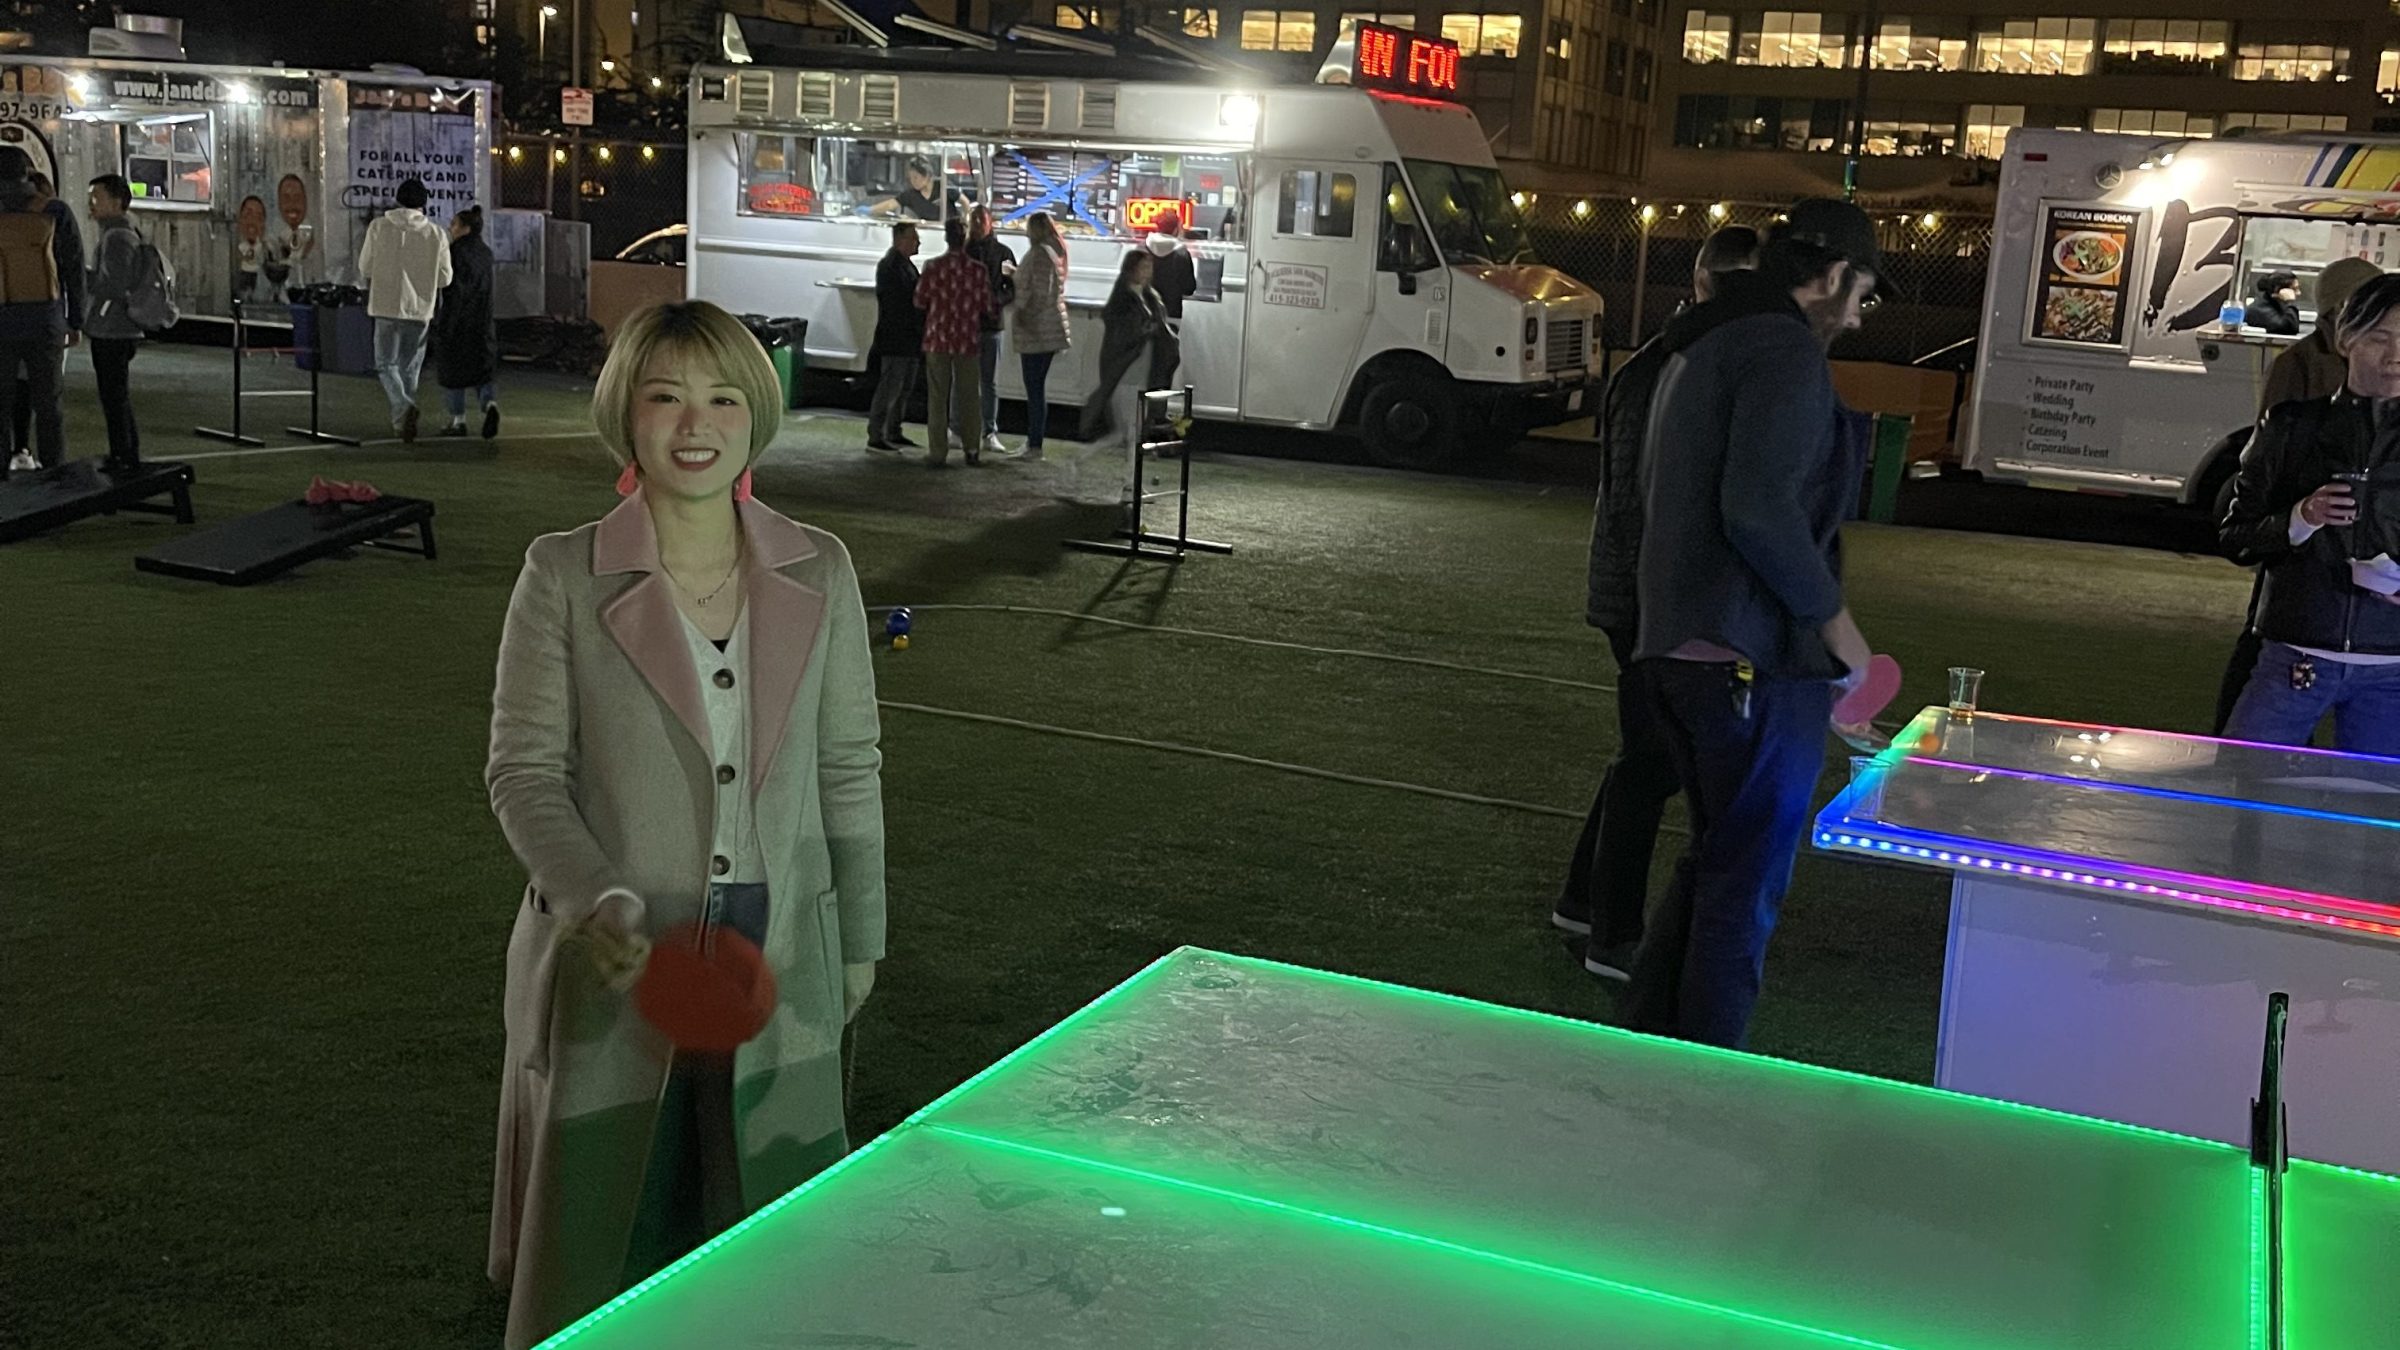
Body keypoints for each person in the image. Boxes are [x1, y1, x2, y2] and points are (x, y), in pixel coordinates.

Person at [484, 299, 887, 1350]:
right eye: (665, 397)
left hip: (780, 948)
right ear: (628, 416)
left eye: (723, 399)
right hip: (619, 959)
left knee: (765, 1245)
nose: (695, 424)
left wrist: (860, 939)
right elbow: (524, 773)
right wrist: (596, 897)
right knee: (610, 1238)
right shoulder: (562, 572)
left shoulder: (822, 568)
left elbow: (848, 767)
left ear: (758, 416)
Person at [1624, 199, 1881, 1049]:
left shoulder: (1703, 341)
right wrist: (1843, 639)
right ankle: (1708, 1079)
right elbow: (1761, 511)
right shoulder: (1782, 351)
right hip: (1743, 657)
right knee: (1742, 884)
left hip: (1675, 646)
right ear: (1833, 275)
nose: (1857, 317)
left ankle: (1648, 1049)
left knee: (1715, 861)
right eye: (1862, 295)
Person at [1555, 223, 1761, 981]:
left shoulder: (1663, 360)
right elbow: (1654, 502)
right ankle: (1613, 935)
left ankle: (1584, 904)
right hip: (1648, 594)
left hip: (1636, 589)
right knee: (1653, 761)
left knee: (1648, 754)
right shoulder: (1679, 369)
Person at [2219, 274, 2400, 756]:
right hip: (2295, 656)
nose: (2395, 356)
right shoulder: (2291, 427)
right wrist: (2302, 516)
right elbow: (2236, 536)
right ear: (2346, 339)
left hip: (2392, 671)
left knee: (2374, 801)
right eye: (2379, 337)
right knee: (2243, 781)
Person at [0, 147, 82, 478]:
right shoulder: (54, 210)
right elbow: (74, 268)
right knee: (49, 405)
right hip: (45, 318)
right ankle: (54, 477)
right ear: (28, 172)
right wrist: (75, 320)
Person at [356, 177, 452, 442]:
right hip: (419, 309)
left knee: (385, 363)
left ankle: (403, 409)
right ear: (424, 204)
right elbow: (446, 278)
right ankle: (402, 421)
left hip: (385, 305)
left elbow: (365, 267)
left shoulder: (378, 227)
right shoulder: (436, 233)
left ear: (397, 200)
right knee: (410, 367)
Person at [1081, 251, 1172, 485]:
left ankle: (1086, 460)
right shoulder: (1123, 300)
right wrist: (1145, 331)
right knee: (1131, 432)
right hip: (1127, 371)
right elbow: (1121, 334)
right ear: (1131, 269)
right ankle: (1129, 481)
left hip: (1144, 369)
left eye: (1149, 268)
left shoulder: (1149, 297)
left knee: (1128, 433)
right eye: (1142, 267)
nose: (1146, 272)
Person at [913, 215, 993, 466]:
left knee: (938, 397)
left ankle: (938, 452)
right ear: (965, 238)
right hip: (967, 339)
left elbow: (919, 300)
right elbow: (987, 305)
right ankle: (972, 449)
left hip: (938, 338)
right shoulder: (978, 271)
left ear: (946, 238)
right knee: (969, 395)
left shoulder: (933, 267)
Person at [82, 173, 146, 473]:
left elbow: (115, 285)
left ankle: (123, 454)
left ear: (118, 202)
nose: (92, 203)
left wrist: (84, 277)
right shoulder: (124, 233)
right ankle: (125, 452)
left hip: (113, 327)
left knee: (113, 394)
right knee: (116, 394)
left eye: (98, 197)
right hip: (120, 326)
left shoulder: (116, 237)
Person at [431, 205, 500, 439]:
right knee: (482, 371)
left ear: (466, 228)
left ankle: (458, 420)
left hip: (459, 321)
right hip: (483, 320)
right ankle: (489, 404)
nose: (450, 228)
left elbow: (453, 291)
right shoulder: (486, 253)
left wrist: (444, 324)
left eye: (454, 224)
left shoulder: (454, 252)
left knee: (453, 373)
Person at [1009, 211, 1071, 462]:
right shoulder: (1053, 252)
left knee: (1034, 388)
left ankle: (1035, 444)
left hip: (1038, 331)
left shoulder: (1039, 254)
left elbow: (1039, 292)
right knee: (1036, 388)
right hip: (1047, 329)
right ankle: (1034, 442)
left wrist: (1023, 312)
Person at [866, 222, 923, 454]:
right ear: (901, 240)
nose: (918, 242)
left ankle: (891, 430)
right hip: (897, 337)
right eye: (914, 238)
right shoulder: (892, 267)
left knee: (902, 386)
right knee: (891, 386)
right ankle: (878, 433)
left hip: (903, 337)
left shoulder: (900, 265)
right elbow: (900, 302)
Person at [964, 205, 1016, 458]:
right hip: (974, 324)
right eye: (973, 220)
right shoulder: (968, 251)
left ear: (989, 223)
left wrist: (996, 302)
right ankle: (970, 429)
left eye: (979, 221)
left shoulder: (1002, 253)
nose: (976, 225)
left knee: (986, 381)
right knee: (970, 380)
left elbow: (1012, 287)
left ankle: (986, 430)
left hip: (988, 324)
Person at [879, 156, 958, 222]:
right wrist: (870, 211)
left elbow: (963, 201)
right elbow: (890, 205)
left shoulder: (943, 186)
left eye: (915, 177)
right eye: (910, 178)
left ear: (927, 175)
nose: (912, 181)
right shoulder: (911, 195)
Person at [2246, 271, 2302, 337]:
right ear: (2278, 290)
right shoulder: (2260, 309)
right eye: (2294, 289)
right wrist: (2290, 302)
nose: (2299, 293)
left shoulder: (2277, 304)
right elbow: (2290, 329)